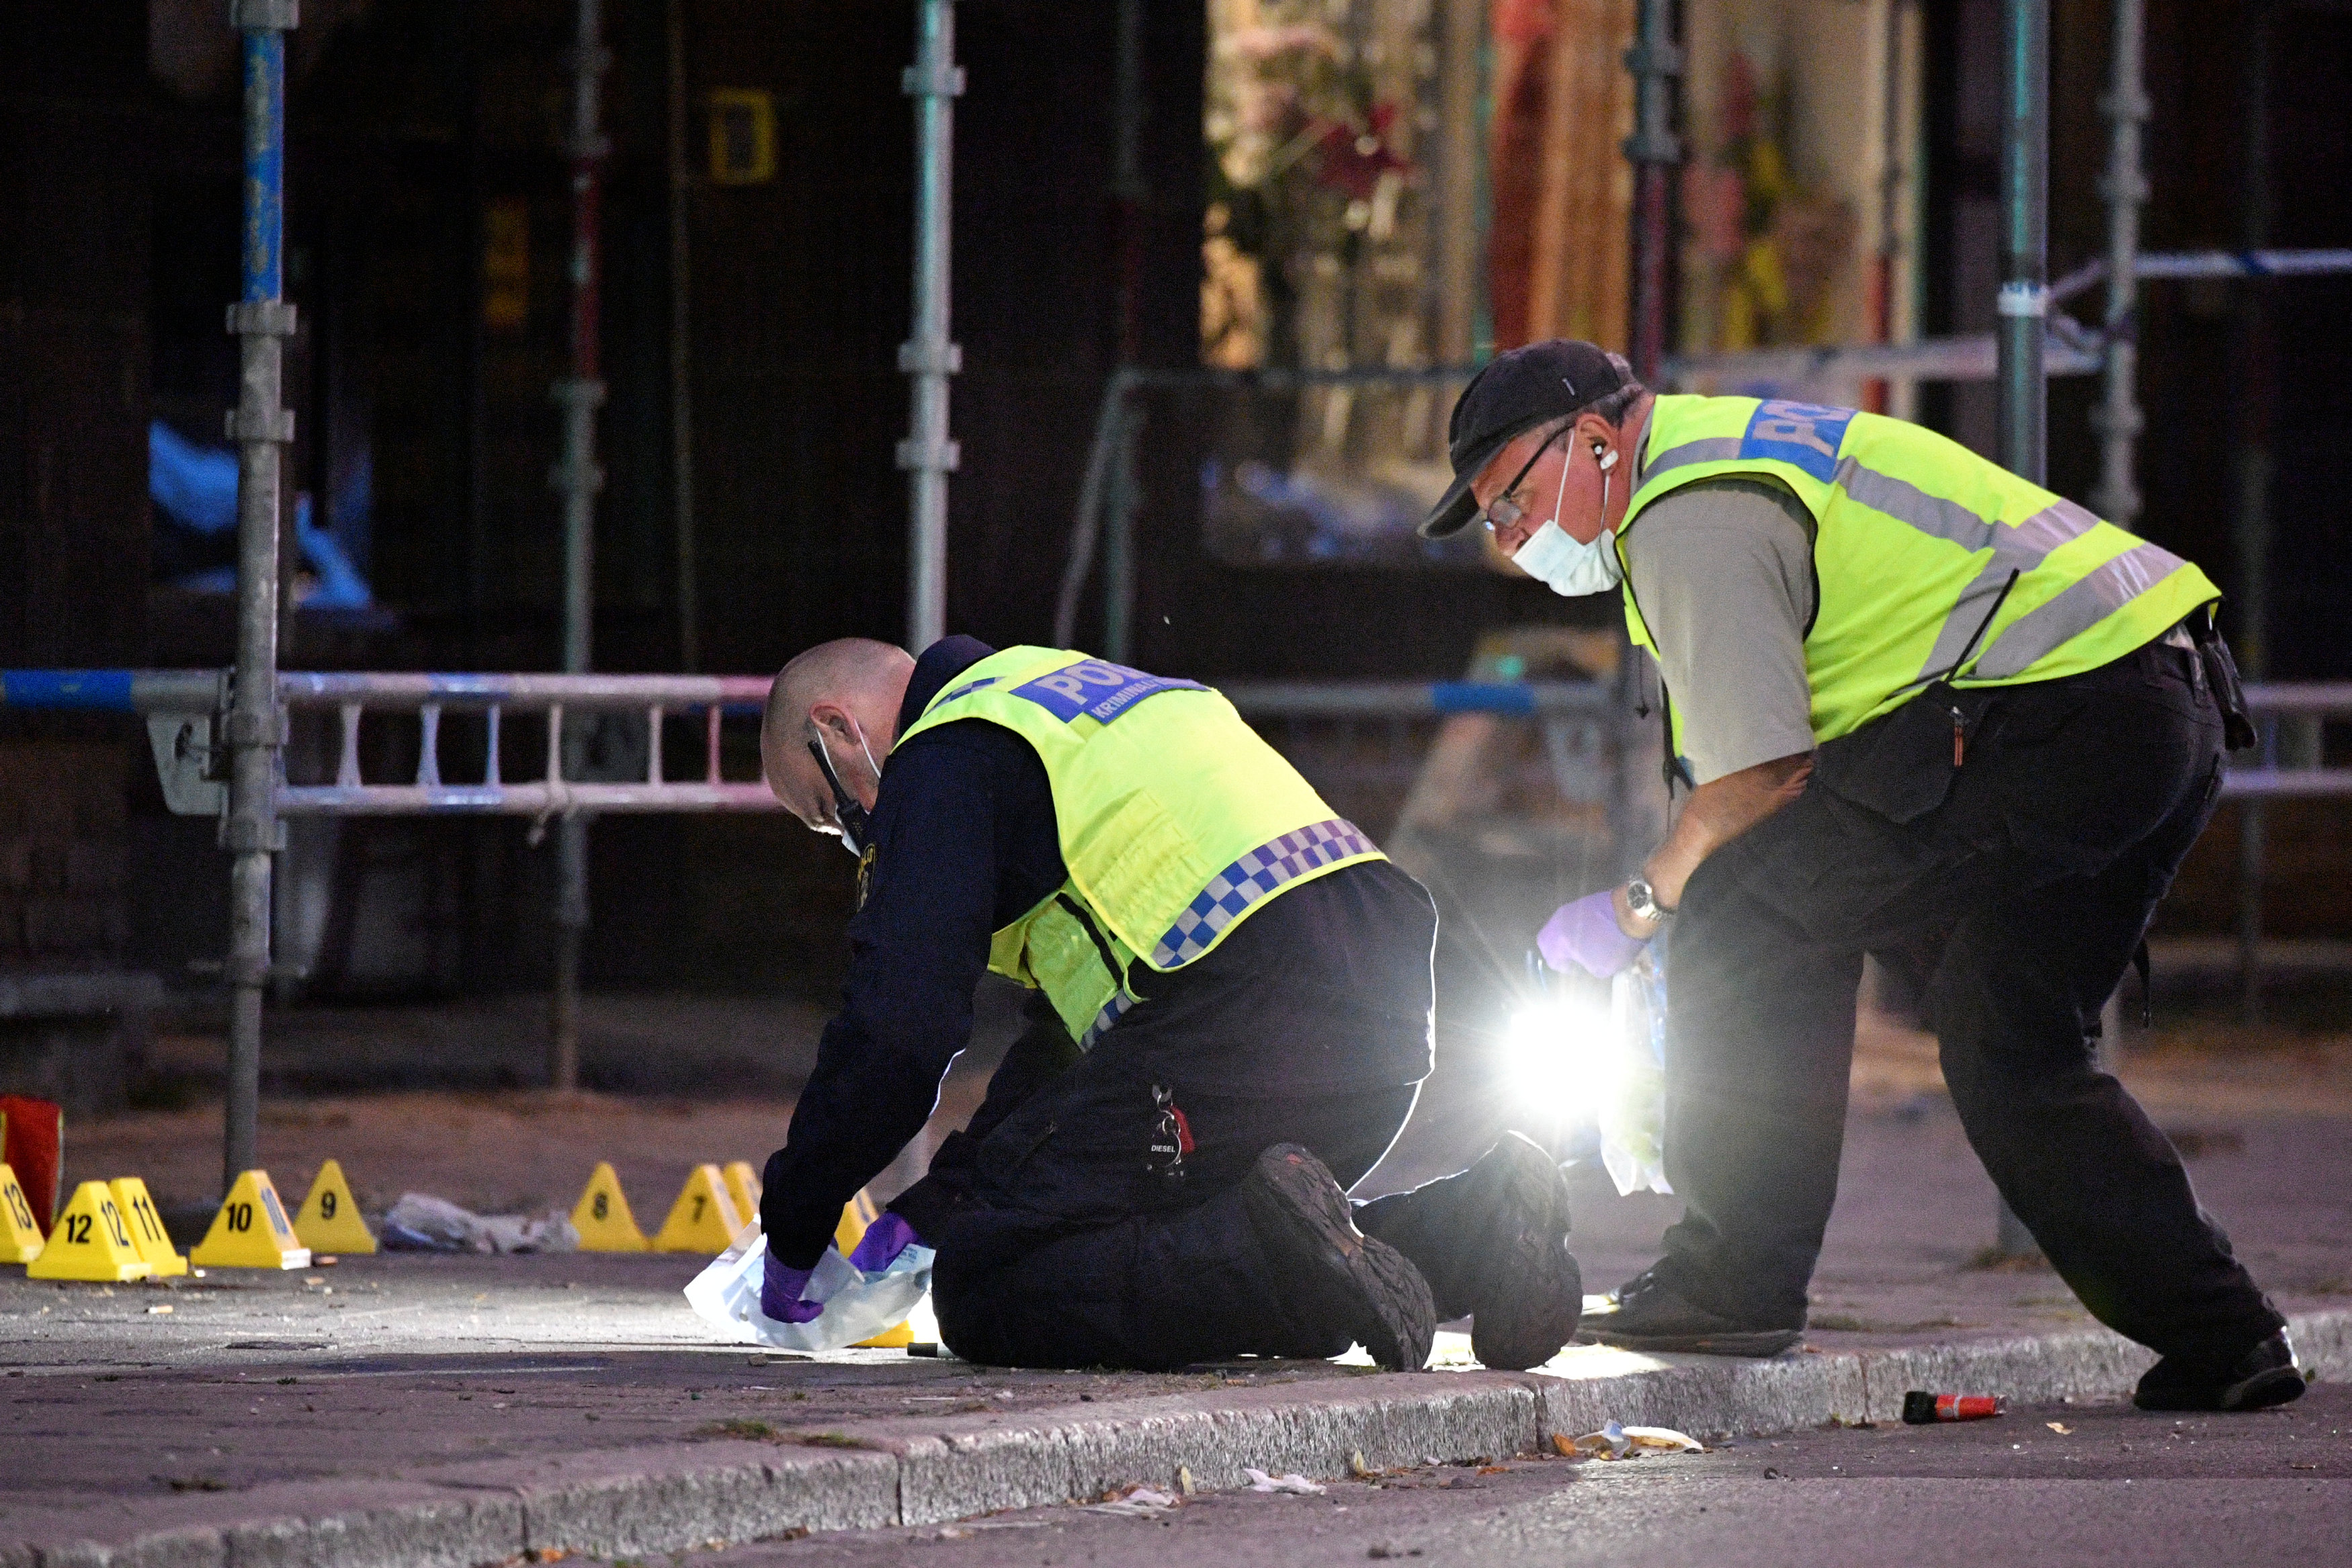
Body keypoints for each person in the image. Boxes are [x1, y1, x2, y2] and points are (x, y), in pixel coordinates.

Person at [1417, 339, 2302, 1413]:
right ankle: (2229, 1337)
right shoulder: (1726, 457)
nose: (1513, 542)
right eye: (1494, 524)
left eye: (1512, 500)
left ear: (1598, 442)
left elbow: (1763, 775)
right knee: (2007, 1042)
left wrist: (1640, 906)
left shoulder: (1686, 511)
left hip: (2064, 713)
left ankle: (1731, 1279)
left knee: (1749, 906)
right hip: (2159, 696)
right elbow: (1755, 772)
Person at [753, 635, 1585, 1372]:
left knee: (989, 1285)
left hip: (1241, 1005)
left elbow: (898, 1025)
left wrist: (795, 1224)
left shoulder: (944, 750)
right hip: (1374, 1012)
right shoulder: (1065, 697)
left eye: (831, 813)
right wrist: (948, 1195)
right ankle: (1475, 1229)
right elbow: (1073, 1056)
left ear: (838, 729)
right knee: (1160, 1226)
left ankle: (1311, 1273)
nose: (858, 839)